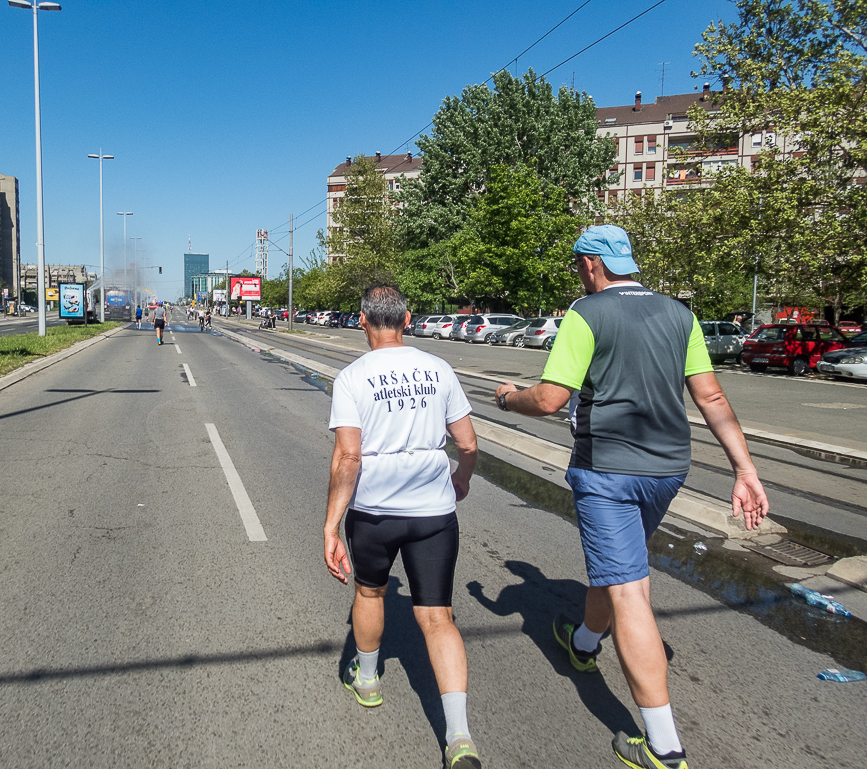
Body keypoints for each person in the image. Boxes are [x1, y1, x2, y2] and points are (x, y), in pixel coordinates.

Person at [493, 225, 769, 769]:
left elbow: (550, 399)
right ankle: (587, 643)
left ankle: (663, 745)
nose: (578, 272)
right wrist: (745, 468)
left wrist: (507, 398)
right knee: (621, 567)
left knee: (629, 591)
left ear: (593, 264)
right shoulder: (679, 314)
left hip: (608, 471)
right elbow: (710, 394)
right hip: (668, 469)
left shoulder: (585, 313)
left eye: (579, 263)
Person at [324, 285, 482, 769]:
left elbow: (349, 455)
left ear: (362, 321)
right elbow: (469, 442)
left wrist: (332, 524)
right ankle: (459, 737)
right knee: (438, 617)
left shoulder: (351, 378)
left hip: (374, 509)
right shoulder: (439, 368)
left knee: (370, 594)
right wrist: (461, 478)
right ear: (408, 318)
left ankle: (367, 680)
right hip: (433, 510)